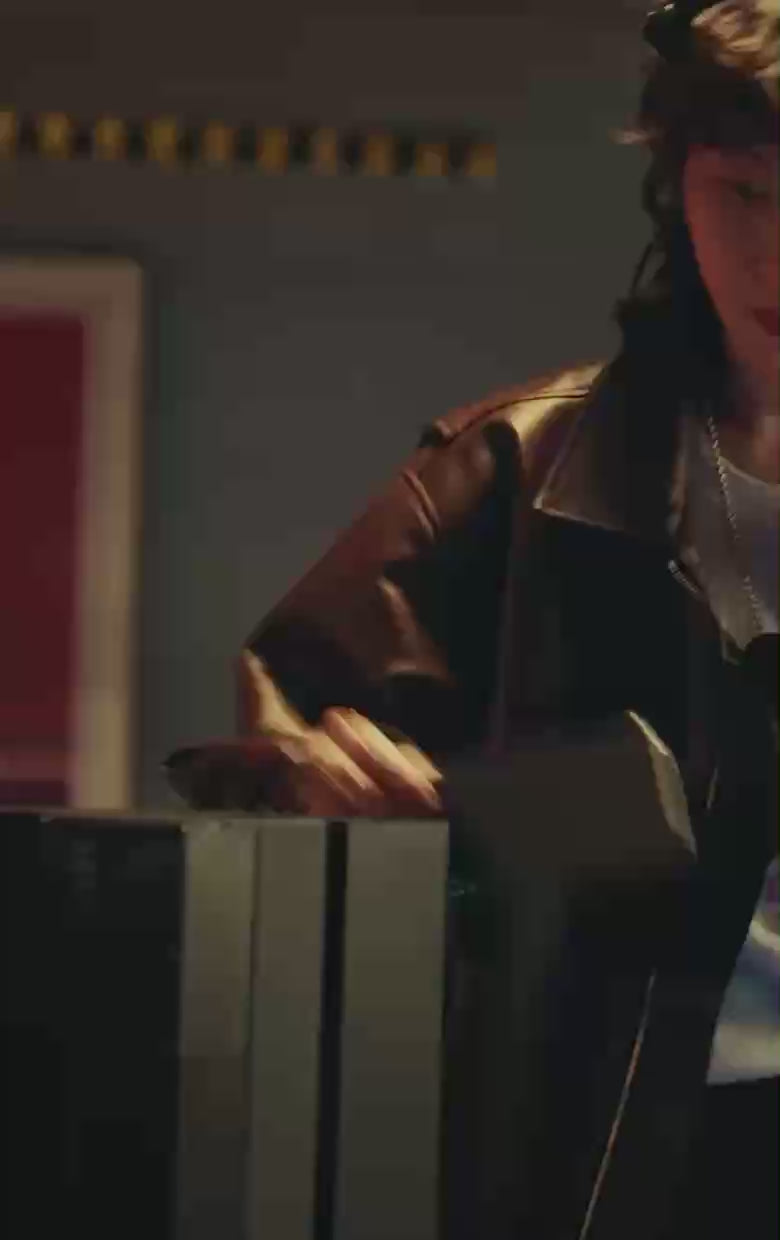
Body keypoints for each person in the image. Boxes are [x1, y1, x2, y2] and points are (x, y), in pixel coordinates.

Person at [166, 1, 778, 1235]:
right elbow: (269, 754)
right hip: (622, 1137)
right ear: (677, 187)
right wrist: (320, 776)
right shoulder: (523, 465)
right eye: (747, 194)